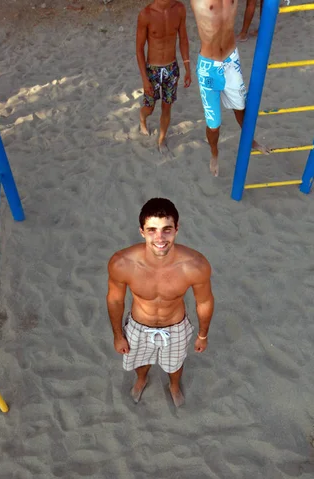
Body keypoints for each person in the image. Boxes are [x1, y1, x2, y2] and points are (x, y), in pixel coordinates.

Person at [107, 197, 214, 407]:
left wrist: (202, 335)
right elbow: (115, 300)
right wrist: (118, 335)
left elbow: (204, 302)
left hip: (175, 326)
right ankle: (141, 379)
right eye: (152, 230)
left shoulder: (195, 265)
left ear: (176, 229)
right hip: (138, 326)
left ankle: (173, 385)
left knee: (175, 364)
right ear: (142, 231)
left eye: (167, 229)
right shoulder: (122, 263)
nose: (160, 238)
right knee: (140, 361)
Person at [190, 0, 269, 176]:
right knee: (214, 124)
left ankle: (251, 141)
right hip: (208, 68)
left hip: (231, 60)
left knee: (241, 108)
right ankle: (214, 154)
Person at [136, 0, 191, 153]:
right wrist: (144, 79)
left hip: (171, 68)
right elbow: (139, 49)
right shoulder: (146, 14)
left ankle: (161, 139)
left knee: (167, 107)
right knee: (149, 107)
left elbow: (183, 39)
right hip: (152, 70)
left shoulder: (179, 9)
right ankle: (142, 119)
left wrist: (187, 67)